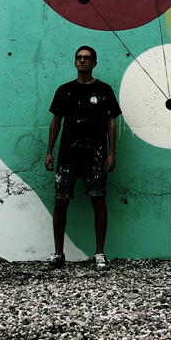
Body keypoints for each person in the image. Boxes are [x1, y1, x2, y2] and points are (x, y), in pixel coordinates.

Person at [44, 46, 121, 269]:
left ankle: (99, 253)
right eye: (79, 57)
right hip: (67, 156)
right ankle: (58, 254)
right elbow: (56, 121)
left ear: (94, 63)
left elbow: (111, 122)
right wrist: (49, 151)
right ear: (74, 62)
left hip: (95, 157)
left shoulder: (104, 90)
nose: (82, 61)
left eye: (87, 58)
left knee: (98, 201)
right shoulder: (64, 90)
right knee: (60, 202)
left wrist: (111, 153)